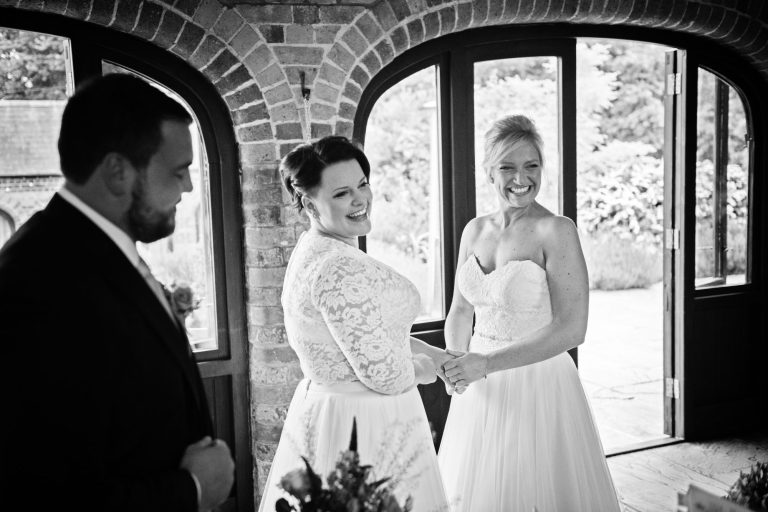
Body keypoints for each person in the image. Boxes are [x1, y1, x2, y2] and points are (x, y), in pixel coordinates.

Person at [0, 74, 234, 512]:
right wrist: (191, 490)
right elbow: (44, 491)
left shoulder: (97, 250)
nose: (187, 187)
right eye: (178, 171)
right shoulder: (37, 286)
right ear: (117, 172)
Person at [437, 116, 621, 511]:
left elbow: (572, 329)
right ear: (488, 171)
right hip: (478, 387)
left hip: (538, 384)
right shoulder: (474, 230)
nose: (521, 179)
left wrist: (485, 363)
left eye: (531, 166)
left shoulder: (556, 230)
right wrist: (456, 364)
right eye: (507, 167)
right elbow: (460, 310)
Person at [258, 136, 450, 512]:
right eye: (342, 193)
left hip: (332, 411)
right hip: (364, 425)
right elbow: (386, 375)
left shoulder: (313, 248)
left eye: (362, 184)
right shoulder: (339, 266)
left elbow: (368, 334)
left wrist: (436, 354)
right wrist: (427, 369)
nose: (360, 199)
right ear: (309, 203)